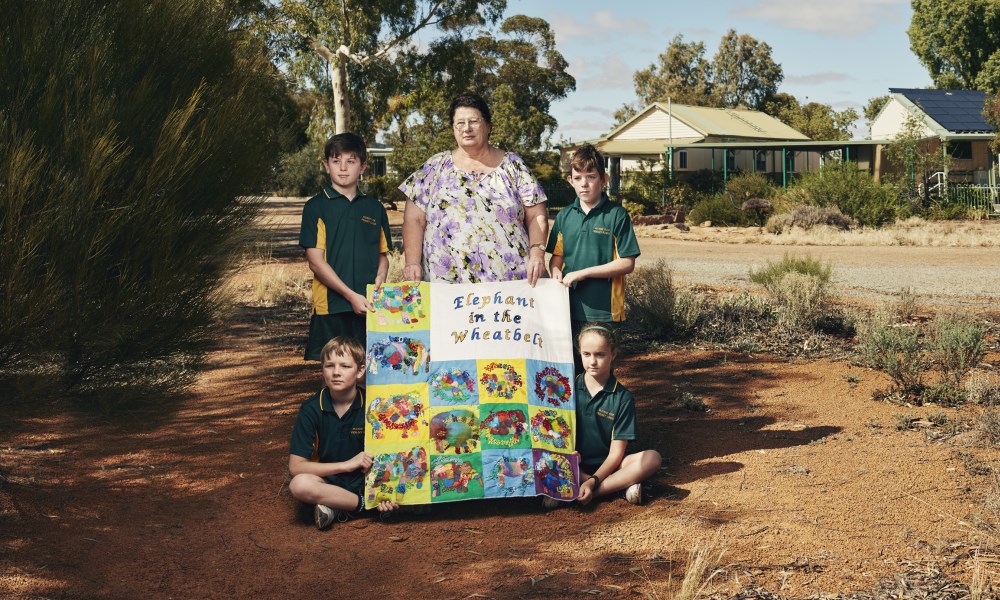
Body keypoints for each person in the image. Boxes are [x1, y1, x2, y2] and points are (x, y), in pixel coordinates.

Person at [399, 92, 548, 285]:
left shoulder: (514, 165)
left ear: (488, 126)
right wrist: (412, 263)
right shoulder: (434, 167)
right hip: (446, 286)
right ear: (453, 128)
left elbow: (536, 214)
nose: (466, 128)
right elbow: (414, 219)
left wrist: (537, 255)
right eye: (459, 123)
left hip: (510, 286)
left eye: (474, 121)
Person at [288, 337, 397, 529]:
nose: (336, 373)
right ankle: (363, 507)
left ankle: (337, 507)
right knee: (299, 485)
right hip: (328, 479)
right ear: (322, 369)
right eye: (329, 366)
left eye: (345, 366)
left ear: (360, 371)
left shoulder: (375, 406)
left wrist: (383, 490)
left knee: (406, 498)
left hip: (366, 479)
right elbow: (296, 467)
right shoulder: (311, 409)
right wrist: (346, 465)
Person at [548, 323, 661, 508]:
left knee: (652, 458)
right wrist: (567, 455)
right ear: (580, 353)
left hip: (611, 465)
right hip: (575, 462)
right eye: (586, 354)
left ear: (613, 354)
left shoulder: (622, 398)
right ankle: (619, 487)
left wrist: (593, 482)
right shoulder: (566, 389)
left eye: (600, 354)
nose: (592, 361)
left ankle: (585, 490)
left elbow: (616, 454)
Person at [299, 133, 390, 360]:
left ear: (362, 167)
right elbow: (316, 262)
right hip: (331, 307)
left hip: (367, 306)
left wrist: (380, 280)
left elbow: (382, 256)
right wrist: (350, 295)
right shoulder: (315, 207)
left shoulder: (375, 208)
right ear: (326, 166)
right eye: (336, 161)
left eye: (350, 161)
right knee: (335, 371)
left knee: (368, 370)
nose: (342, 168)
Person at [546, 144, 640, 364]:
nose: (584, 184)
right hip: (568, 309)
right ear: (570, 180)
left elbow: (627, 263)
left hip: (605, 313)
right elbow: (556, 257)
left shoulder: (617, 215)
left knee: (599, 372)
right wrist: (555, 271)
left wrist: (583, 273)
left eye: (591, 177)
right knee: (571, 372)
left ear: (604, 179)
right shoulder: (564, 216)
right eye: (578, 178)